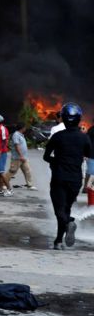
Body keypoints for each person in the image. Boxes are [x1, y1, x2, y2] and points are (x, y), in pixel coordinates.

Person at [42, 102, 91, 249]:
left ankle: (69, 222)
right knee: (66, 208)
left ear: (62, 118)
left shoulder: (57, 136)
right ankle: (58, 241)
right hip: (76, 180)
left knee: (60, 210)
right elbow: (88, 155)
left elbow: (46, 156)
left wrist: (55, 161)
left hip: (59, 178)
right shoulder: (84, 138)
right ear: (79, 119)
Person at [7, 123, 36, 190]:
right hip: (17, 158)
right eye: (25, 127)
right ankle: (4, 183)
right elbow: (17, 146)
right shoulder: (16, 135)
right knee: (12, 171)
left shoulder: (21, 135)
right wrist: (21, 155)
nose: (25, 129)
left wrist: (23, 156)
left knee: (27, 171)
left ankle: (30, 185)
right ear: (22, 128)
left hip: (23, 158)